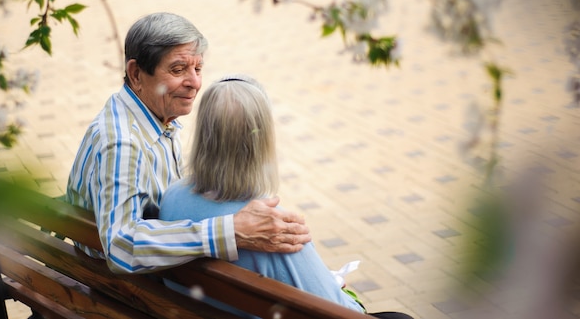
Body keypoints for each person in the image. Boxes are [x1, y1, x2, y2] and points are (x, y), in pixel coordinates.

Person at [65, 12, 310, 274]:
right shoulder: (123, 143)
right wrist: (231, 230)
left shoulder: (149, 116)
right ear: (136, 74)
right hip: (120, 296)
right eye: (178, 69)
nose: (194, 83)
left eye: (198, 68)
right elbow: (121, 247)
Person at [159, 75, 414, 319]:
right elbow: (337, 311)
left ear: (204, 131)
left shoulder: (171, 198)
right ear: (262, 140)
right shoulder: (274, 230)